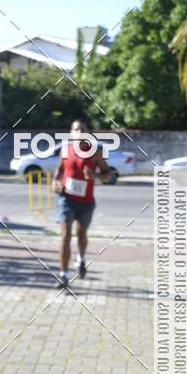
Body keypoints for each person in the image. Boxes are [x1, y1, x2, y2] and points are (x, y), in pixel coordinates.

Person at [52, 119, 110, 289]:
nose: (79, 132)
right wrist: (55, 182)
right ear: (71, 133)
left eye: (82, 129)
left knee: (81, 235)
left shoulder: (96, 152)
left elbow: (107, 174)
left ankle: (81, 259)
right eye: (76, 129)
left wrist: (95, 175)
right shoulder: (65, 150)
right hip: (66, 199)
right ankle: (63, 276)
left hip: (86, 202)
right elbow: (60, 169)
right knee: (65, 236)